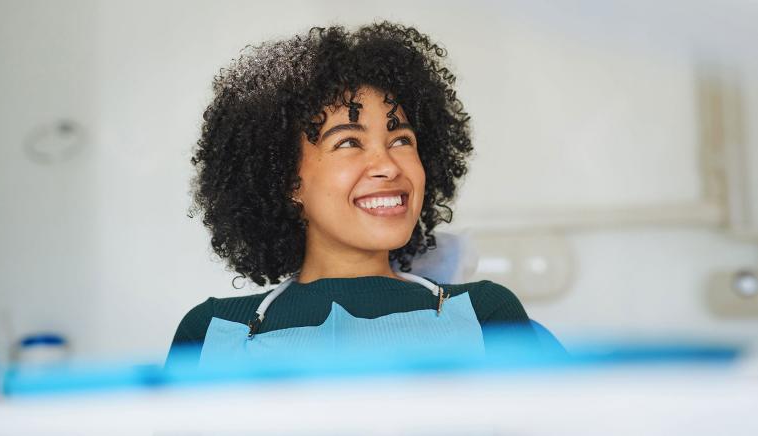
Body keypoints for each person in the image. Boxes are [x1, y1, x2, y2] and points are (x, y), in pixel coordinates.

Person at [166, 21, 548, 368]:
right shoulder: (211, 331)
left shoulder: (486, 313)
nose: (388, 165)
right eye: (349, 142)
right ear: (288, 182)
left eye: (401, 139)